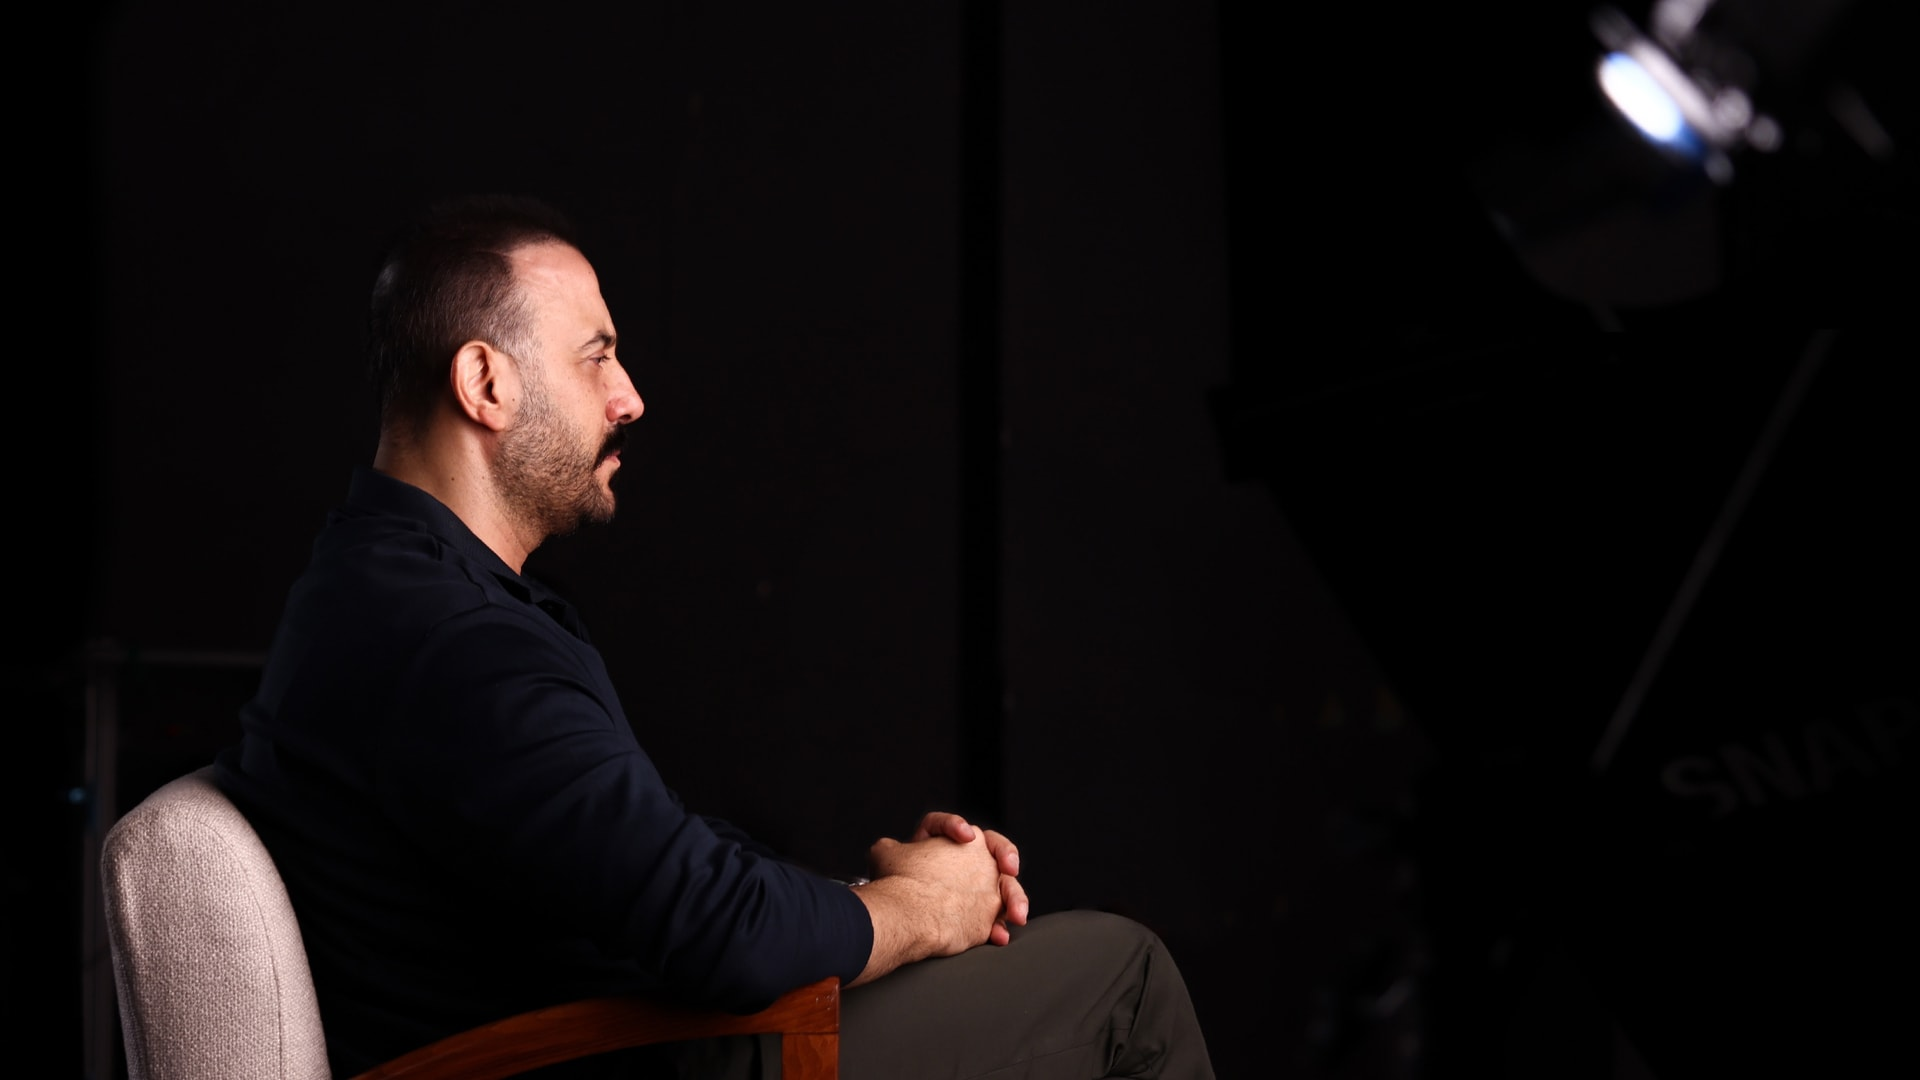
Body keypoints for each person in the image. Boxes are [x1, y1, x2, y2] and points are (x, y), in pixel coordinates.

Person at [214, 193, 1215, 1079]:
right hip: (624, 1055)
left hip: (626, 1027)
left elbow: (652, 865)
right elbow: (718, 933)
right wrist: (924, 911)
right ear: (486, 383)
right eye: (597, 356)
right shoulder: (457, 643)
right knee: (1122, 979)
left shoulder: (378, 584)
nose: (630, 397)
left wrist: (872, 893)